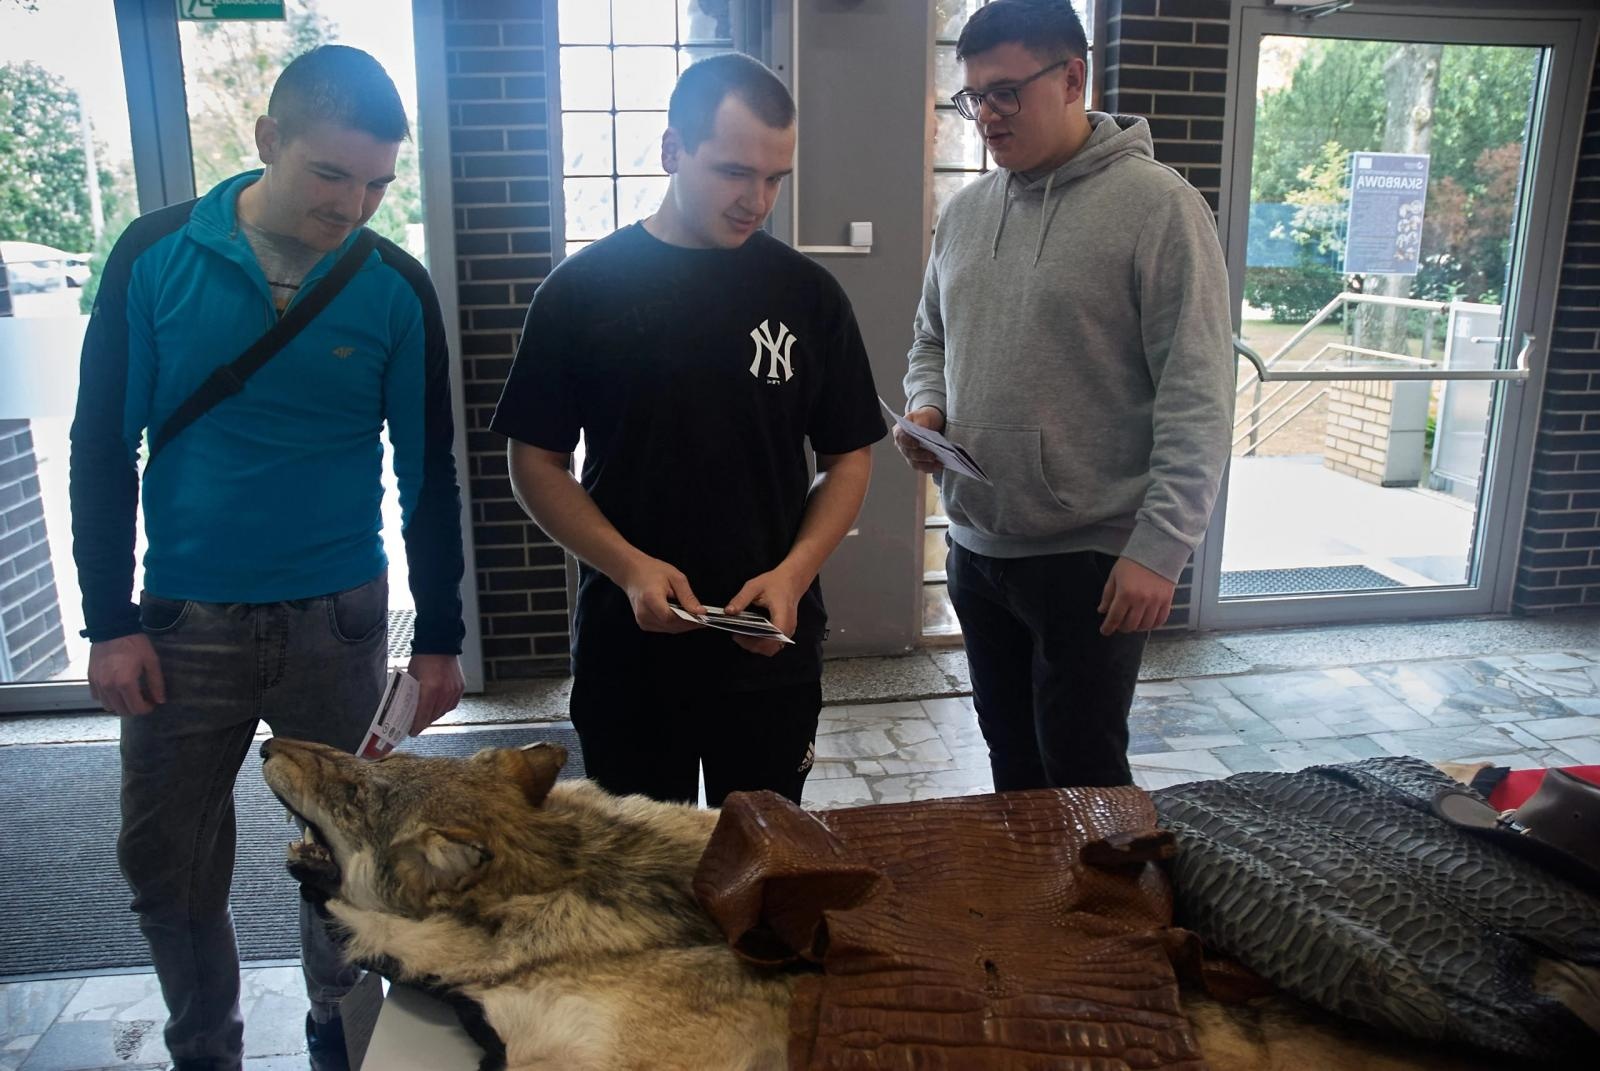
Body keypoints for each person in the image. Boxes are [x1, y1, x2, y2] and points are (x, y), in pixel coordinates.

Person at [69, 45, 466, 1071]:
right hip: (181, 622)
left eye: (377, 184)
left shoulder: (394, 284)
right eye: (330, 174)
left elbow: (427, 470)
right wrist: (108, 621)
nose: (352, 205)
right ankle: (206, 1045)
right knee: (167, 862)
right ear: (266, 141)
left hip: (337, 618)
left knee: (349, 856)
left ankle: (338, 1023)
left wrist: (440, 637)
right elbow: (102, 446)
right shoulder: (155, 254)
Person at [492, 53, 884, 809]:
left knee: (764, 860)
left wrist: (795, 573)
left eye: (775, 179)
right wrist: (629, 567)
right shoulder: (581, 292)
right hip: (629, 648)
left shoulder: (809, 294)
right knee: (639, 871)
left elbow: (847, 459)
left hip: (769, 645)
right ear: (672, 150)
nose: (756, 200)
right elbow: (535, 462)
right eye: (734, 172)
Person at [897, 0, 1234, 791]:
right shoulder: (965, 214)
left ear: (1073, 77)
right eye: (974, 96)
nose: (987, 115)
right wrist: (926, 408)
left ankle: (1107, 884)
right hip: (977, 547)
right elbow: (930, 339)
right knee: (1012, 769)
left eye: (1006, 92)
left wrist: (1160, 549)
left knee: (1085, 778)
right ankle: (1033, 881)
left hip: (1092, 559)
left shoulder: (1159, 208)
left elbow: (1198, 392)